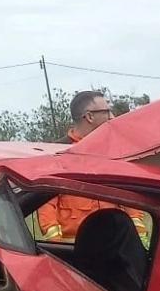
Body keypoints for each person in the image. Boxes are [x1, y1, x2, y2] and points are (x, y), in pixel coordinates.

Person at [36, 90, 147, 241]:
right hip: (74, 247)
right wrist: (58, 245)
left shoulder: (115, 152)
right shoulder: (57, 154)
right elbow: (45, 204)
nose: (112, 117)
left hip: (114, 243)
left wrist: (138, 234)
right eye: (106, 112)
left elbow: (129, 196)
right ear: (89, 116)